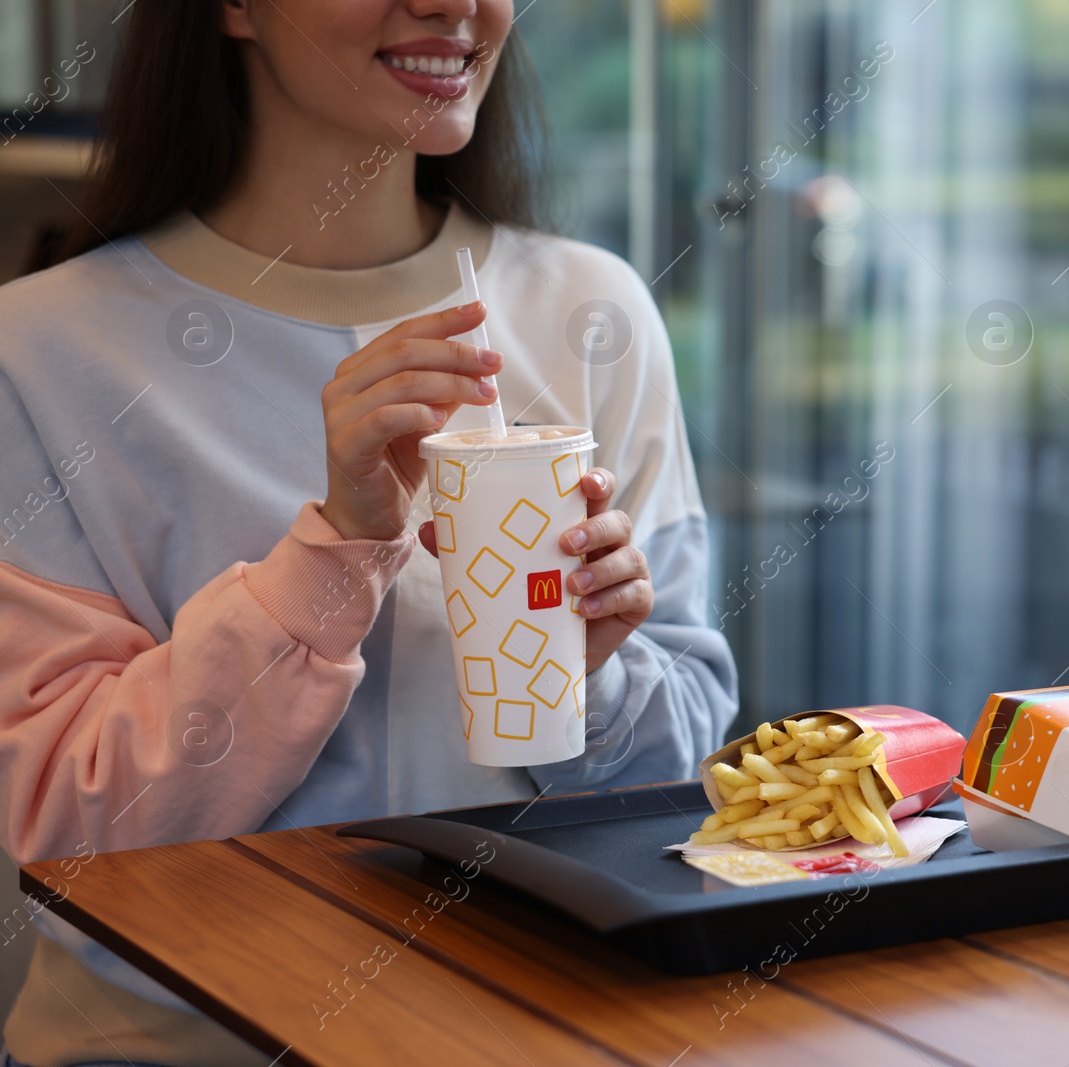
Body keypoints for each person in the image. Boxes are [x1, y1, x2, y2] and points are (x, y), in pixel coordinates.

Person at [0, 2, 736, 1063]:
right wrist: (338, 550)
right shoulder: (44, 354)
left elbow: (685, 781)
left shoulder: (594, 310)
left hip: (529, 1032)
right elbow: (65, 831)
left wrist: (593, 681)